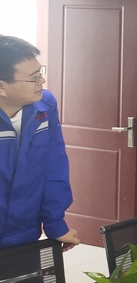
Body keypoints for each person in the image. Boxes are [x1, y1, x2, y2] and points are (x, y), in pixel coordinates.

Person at [0, 35, 80, 251]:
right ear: (2, 87)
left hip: (25, 233)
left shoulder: (45, 105)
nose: (42, 81)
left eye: (40, 73)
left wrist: (55, 224)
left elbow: (54, 167)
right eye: (33, 78)